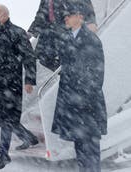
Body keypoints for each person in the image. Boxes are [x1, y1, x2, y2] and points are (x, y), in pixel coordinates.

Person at [0, 4, 39, 170]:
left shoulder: (17, 32)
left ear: (4, 15)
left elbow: (29, 57)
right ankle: (29, 138)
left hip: (12, 82)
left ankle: (3, 155)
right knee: (3, 118)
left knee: (7, 118)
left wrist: (29, 80)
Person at [51, 1, 107, 172]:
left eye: (69, 16)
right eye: (65, 17)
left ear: (80, 17)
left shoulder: (91, 39)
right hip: (71, 99)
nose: (65, 19)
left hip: (87, 101)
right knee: (79, 144)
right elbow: (63, 64)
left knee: (90, 143)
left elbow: (98, 73)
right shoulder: (67, 38)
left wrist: (86, 97)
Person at [28, 0, 97, 71]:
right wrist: (31, 32)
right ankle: (66, 70)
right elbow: (41, 15)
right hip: (51, 31)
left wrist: (91, 21)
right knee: (42, 55)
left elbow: (84, 3)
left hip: (68, 26)